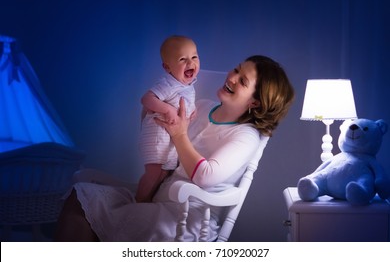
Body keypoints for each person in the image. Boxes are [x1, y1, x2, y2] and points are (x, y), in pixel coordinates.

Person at [54, 55, 294, 242]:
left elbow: (205, 176)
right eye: (237, 69)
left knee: (94, 217)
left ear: (255, 102)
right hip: (158, 198)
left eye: (242, 81)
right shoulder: (202, 106)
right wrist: (155, 110)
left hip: (186, 218)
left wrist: (179, 134)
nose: (232, 77)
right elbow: (159, 138)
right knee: (81, 194)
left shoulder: (246, 135)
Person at [136, 35, 200, 202]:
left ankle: (148, 201)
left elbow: (182, 103)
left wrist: (192, 110)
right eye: (182, 59)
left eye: (194, 57)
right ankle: (138, 202)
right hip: (156, 137)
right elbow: (147, 99)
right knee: (154, 173)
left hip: (168, 140)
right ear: (167, 67)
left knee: (164, 174)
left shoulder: (187, 86)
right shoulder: (168, 83)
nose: (190, 63)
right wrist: (168, 110)